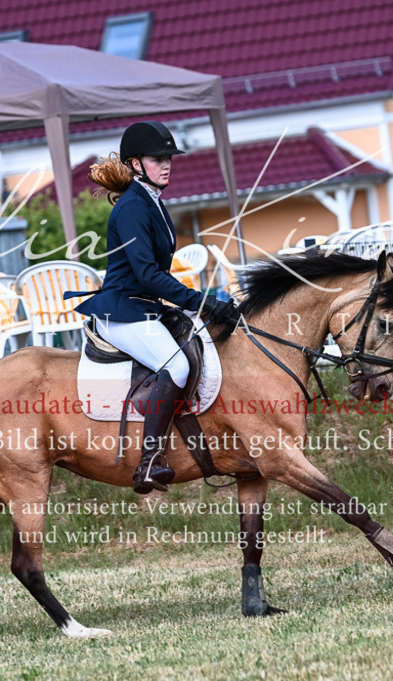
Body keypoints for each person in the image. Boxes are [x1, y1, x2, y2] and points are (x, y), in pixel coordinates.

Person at [75, 121, 239, 494]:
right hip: (123, 311)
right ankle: (149, 460)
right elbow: (148, 274)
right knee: (176, 364)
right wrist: (201, 300)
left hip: (146, 307)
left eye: (168, 158)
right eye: (157, 159)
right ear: (135, 164)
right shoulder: (133, 206)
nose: (166, 165)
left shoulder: (153, 202)